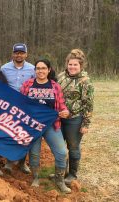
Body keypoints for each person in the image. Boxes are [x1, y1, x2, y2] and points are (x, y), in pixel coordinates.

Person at [20, 59, 71, 193]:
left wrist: (65, 111)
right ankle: (35, 177)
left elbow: (61, 104)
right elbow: (20, 103)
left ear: (49, 70)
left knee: (62, 152)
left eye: (43, 68)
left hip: (51, 124)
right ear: (35, 70)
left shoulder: (55, 86)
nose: (40, 71)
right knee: (35, 154)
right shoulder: (27, 85)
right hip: (33, 125)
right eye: (38, 68)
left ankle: (59, 180)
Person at [57, 49, 94, 185]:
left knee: (73, 147)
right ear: (67, 64)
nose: (72, 67)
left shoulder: (85, 81)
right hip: (59, 118)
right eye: (70, 64)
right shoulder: (61, 77)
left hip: (75, 120)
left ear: (81, 66)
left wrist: (85, 124)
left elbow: (88, 104)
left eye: (75, 65)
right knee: (60, 147)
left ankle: (72, 174)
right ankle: (60, 171)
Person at [1, 43, 35, 174]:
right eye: (16, 52)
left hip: (26, 108)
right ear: (12, 54)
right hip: (9, 107)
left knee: (24, 135)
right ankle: (9, 162)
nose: (19, 55)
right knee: (10, 134)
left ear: (26, 54)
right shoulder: (4, 68)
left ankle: (22, 162)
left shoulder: (33, 69)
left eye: (21, 53)